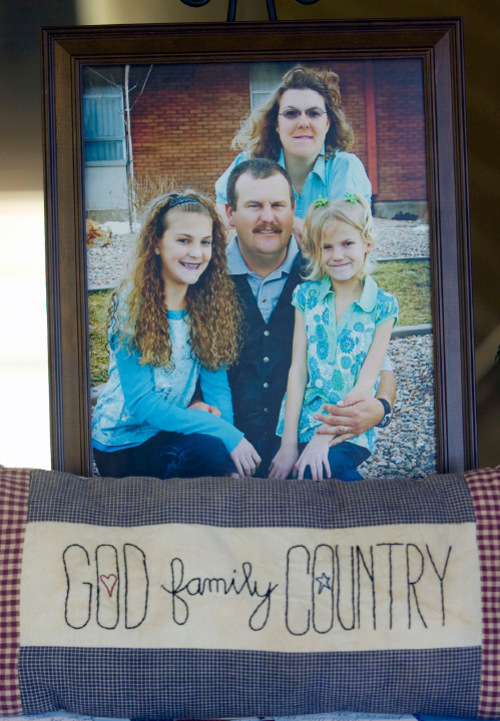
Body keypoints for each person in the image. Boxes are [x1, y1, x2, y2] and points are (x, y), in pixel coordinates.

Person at [225, 158, 396, 477]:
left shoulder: (321, 277)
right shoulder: (206, 278)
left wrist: (381, 407)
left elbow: (377, 367)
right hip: (245, 445)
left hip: (325, 434)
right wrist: (222, 444)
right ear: (230, 213)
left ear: (293, 210)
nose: (267, 217)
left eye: (277, 205)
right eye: (253, 205)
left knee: (322, 483)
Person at [92, 191, 261, 479]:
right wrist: (225, 433)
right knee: (208, 450)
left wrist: (229, 454)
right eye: (184, 240)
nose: (196, 253)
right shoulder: (132, 306)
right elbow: (142, 403)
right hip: (121, 444)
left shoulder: (208, 307)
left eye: (205, 242)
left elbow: (216, 388)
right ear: (156, 243)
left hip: (168, 431)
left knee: (214, 452)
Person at [270, 194, 398, 481]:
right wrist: (288, 444)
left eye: (347, 243)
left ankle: (373, 518)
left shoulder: (383, 306)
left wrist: (322, 438)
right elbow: (298, 371)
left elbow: (366, 382)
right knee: (302, 480)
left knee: (311, 474)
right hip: (302, 423)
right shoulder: (305, 298)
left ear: (367, 244)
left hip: (349, 430)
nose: (337, 255)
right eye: (327, 247)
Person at [216, 64, 372, 241]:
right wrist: (292, 226)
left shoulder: (345, 168)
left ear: (327, 123)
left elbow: (343, 236)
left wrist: (272, 229)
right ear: (276, 124)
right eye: (291, 113)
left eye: (314, 113)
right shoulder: (247, 163)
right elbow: (218, 224)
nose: (303, 123)